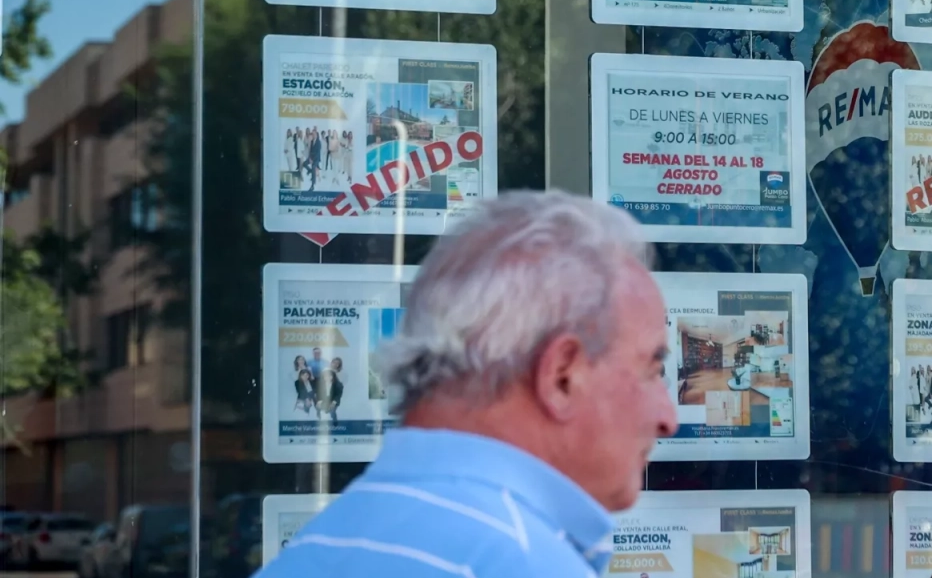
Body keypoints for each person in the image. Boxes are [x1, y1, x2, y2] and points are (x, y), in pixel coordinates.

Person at [252, 191, 677, 577]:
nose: (668, 418)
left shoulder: (316, 548)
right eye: (652, 369)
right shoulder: (526, 563)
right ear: (562, 375)